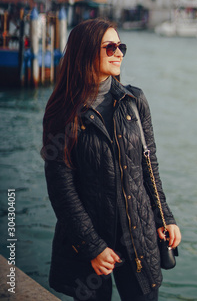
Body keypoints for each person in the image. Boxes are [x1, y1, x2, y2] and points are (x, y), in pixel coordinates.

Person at [42, 18, 181, 301]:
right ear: (86, 51)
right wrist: (92, 246)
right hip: (89, 241)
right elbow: (61, 190)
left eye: (121, 47)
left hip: (139, 234)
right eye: (110, 47)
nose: (119, 53)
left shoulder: (134, 100)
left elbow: (148, 165)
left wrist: (164, 216)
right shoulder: (62, 113)